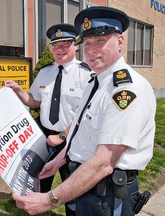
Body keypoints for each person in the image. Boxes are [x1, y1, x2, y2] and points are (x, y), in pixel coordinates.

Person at [12, 6, 156, 216]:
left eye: (100, 41)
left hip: (106, 193)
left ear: (120, 42)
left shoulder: (126, 89)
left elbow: (104, 163)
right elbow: (81, 132)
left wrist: (48, 200)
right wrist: (59, 160)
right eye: (87, 43)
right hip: (85, 185)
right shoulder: (96, 82)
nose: (91, 50)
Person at [6, 23, 92, 215]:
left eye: (65, 44)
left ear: (75, 46)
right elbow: (34, 102)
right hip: (44, 139)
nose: (60, 49)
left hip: (72, 140)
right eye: (56, 45)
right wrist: (18, 90)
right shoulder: (45, 72)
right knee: (39, 182)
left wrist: (62, 136)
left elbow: (87, 115)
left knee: (73, 189)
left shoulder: (86, 74)